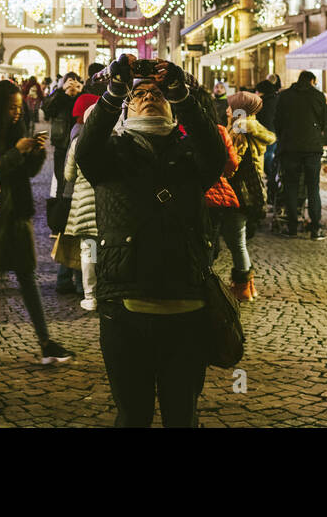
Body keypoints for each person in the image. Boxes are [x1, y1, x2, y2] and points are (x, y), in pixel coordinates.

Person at [76, 56, 226, 427]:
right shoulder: (110, 156)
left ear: (172, 108)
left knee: (182, 416)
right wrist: (113, 92)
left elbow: (215, 151)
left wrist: (182, 95)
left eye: (158, 93)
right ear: (126, 108)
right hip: (125, 307)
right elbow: (87, 146)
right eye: (140, 93)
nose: (149, 97)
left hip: (187, 304)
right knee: (133, 416)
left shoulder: (191, 156)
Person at [0, 80, 74, 368]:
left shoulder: (15, 129)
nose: (17, 112)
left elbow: (26, 173)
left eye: (19, 107)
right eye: (12, 107)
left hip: (17, 215)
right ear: (0, 107)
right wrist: (16, 151)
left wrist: (35, 153)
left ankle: (46, 343)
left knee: (27, 277)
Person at [197, 87, 250, 301]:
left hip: (191, 196)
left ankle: (200, 283)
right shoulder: (219, 130)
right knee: (213, 241)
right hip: (217, 196)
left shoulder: (179, 129)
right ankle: (209, 283)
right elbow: (231, 163)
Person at [227, 89, 275, 292]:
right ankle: (245, 284)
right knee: (237, 238)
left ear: (240, 109)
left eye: (231, 106)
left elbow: (232, 162)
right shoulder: (251, 126)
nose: (227, 110)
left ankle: (243, 286)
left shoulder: (240, 129)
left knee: (236, 240)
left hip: (240, 190)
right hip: (250, 190)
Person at [275, 71, 327, 238]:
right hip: (312, 148)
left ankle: (292, 226)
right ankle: (315, 228)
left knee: (291, 186)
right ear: (312, 81)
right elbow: (325, 123)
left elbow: (277, 121)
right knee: (313, 187)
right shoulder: (318, 96)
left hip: (290, 147)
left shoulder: (285, 96)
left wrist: (283, 137)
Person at [44, 73, 83, 295]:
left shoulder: (84, 102)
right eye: (70, 83)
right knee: (64, 196)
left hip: (74, 149)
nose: (73, 87)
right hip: (62, 150)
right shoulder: (58, 99)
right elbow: (46, 109)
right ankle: (72, 276)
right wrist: (60, 91)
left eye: (76, 83)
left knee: (71, 208)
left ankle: (70, 275)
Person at [62, 93, 101, 311]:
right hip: (107, 206)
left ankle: (90, 295)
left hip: (85, 205)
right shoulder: (115, 138)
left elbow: (69, 175)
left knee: (89, 251)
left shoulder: (78, 142)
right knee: (108, 250)